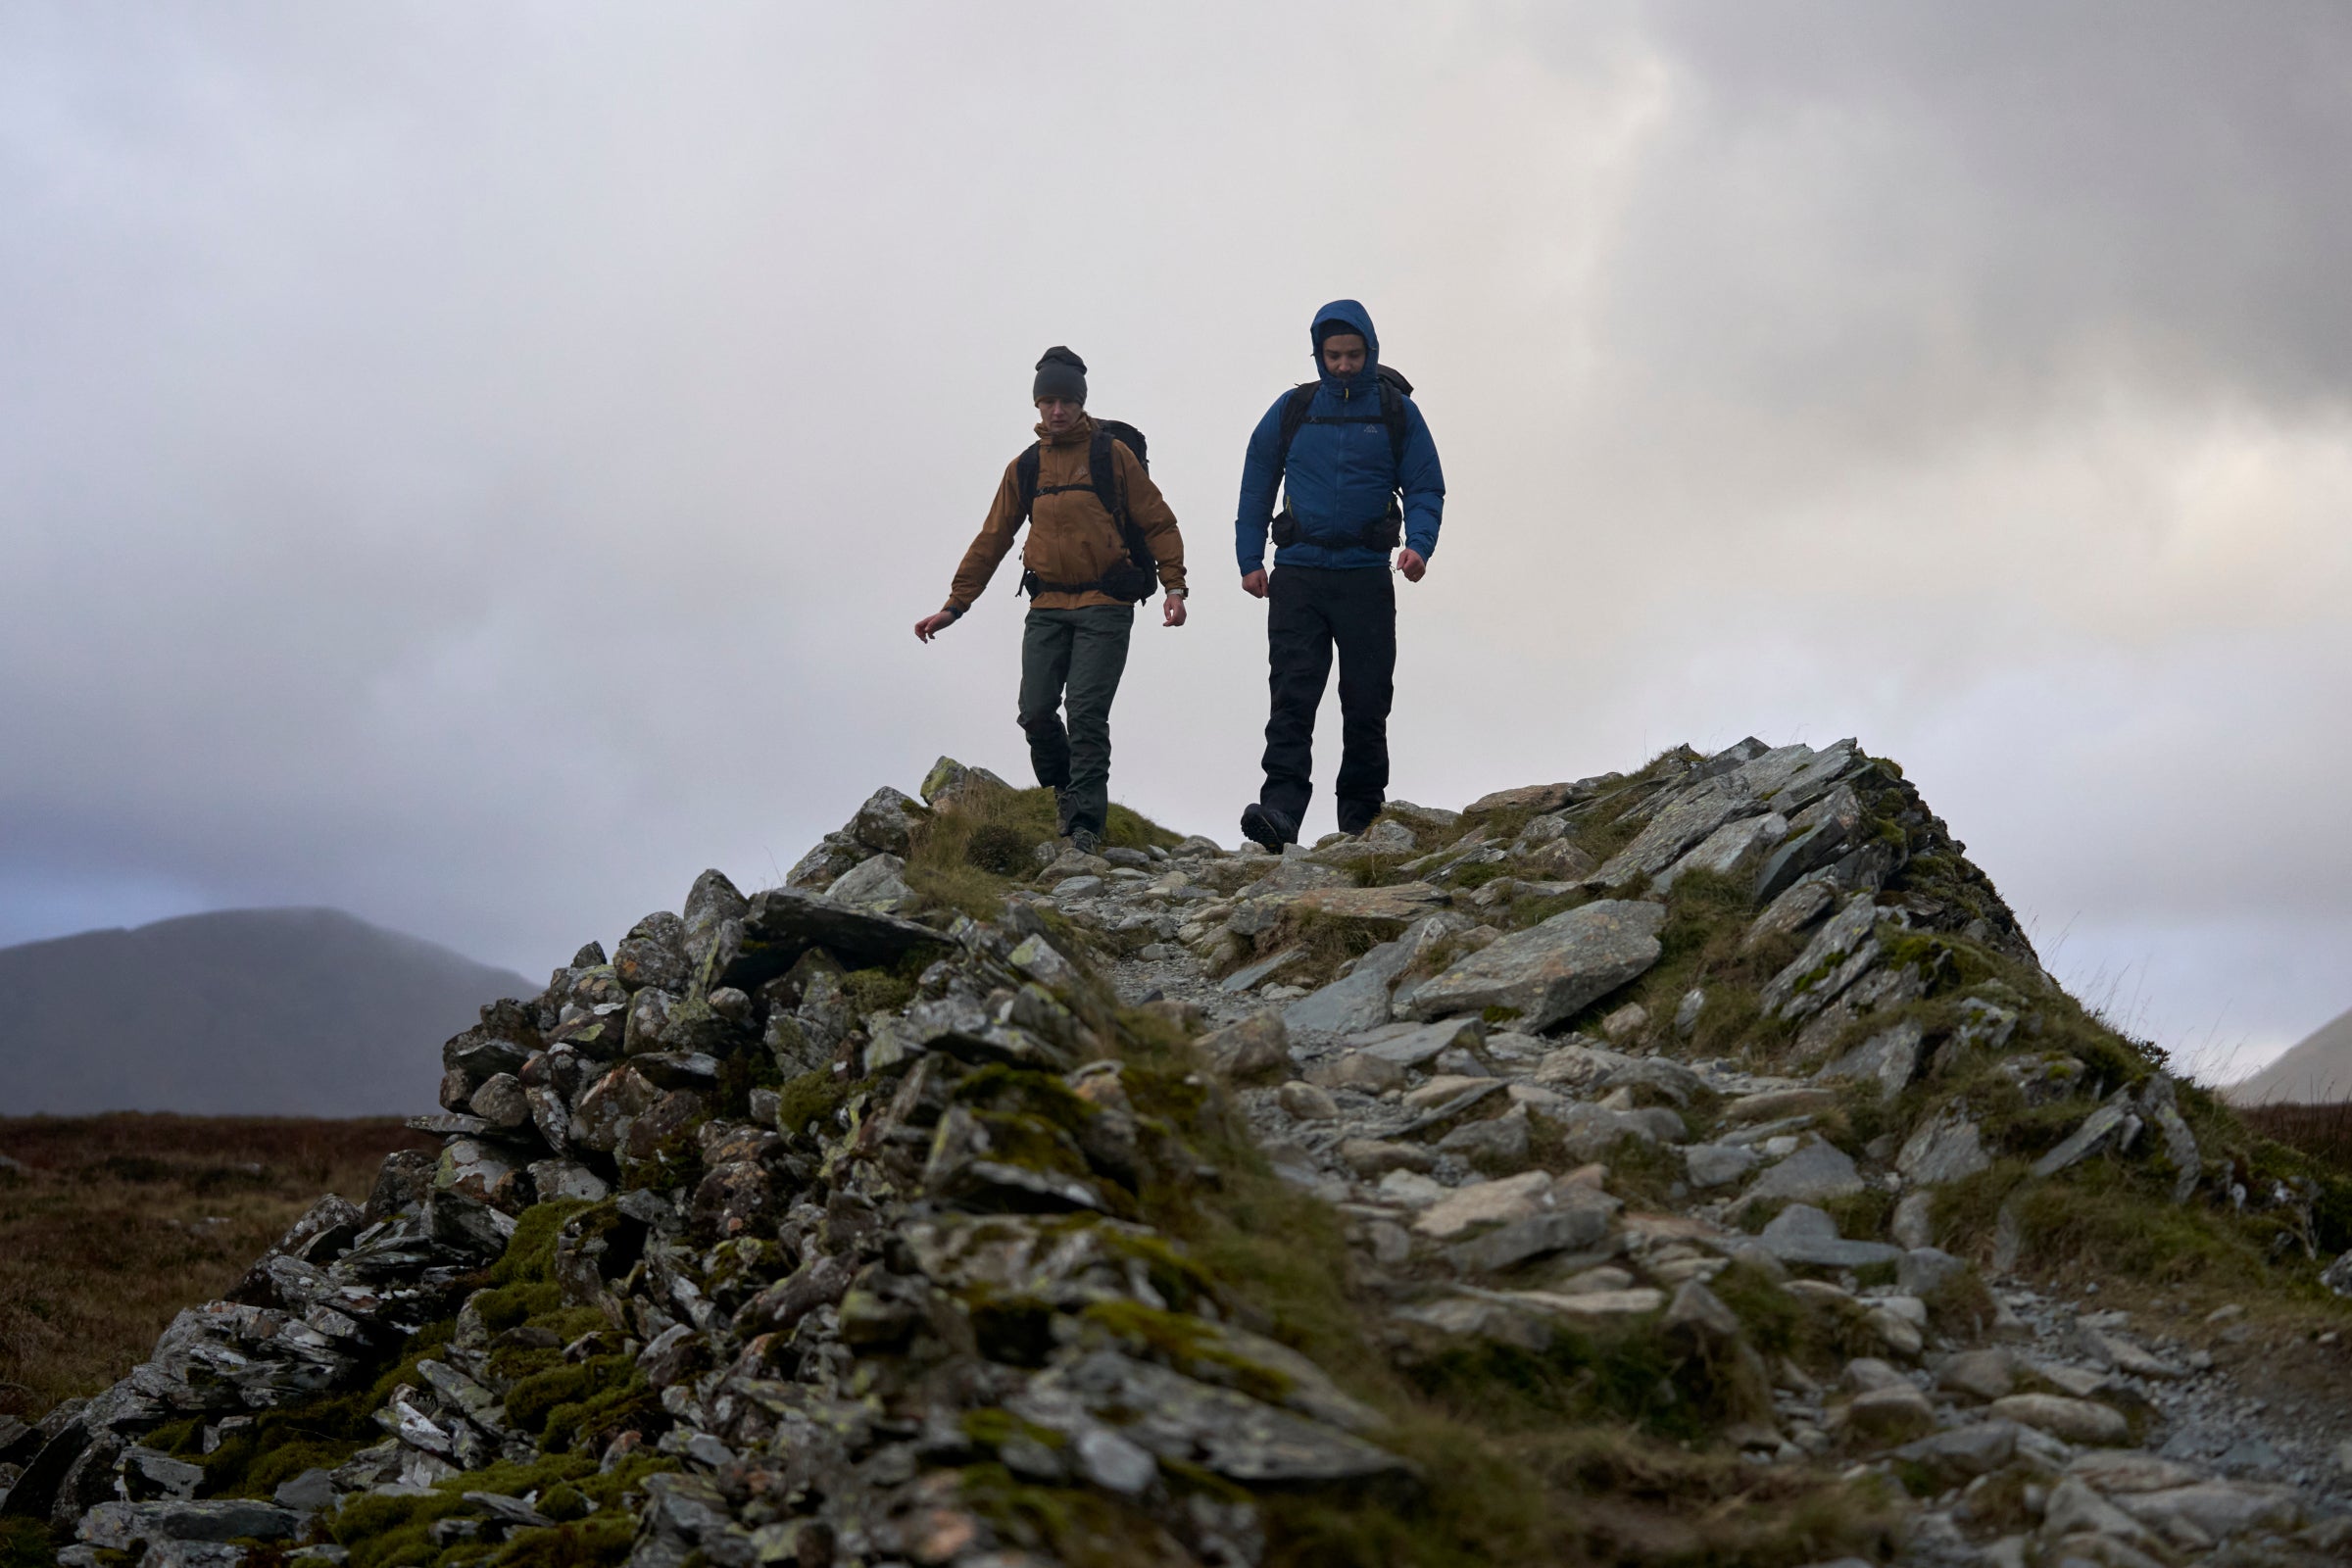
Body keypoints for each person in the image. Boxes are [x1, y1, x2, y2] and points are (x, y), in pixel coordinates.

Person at [913, 347, 1187, 854]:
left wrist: (1174, 587)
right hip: (1046, 608)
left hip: (1106, 604)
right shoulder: (1025, 468)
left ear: (1081, 403)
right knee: (1035, 711)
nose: (1057, 410)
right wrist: (956, 604)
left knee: (1085, 714)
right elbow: (993, 538)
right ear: (1037, 406)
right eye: (1048, 401)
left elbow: (1158, 521)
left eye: (1066, 400)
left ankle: (1085, 825)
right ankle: (1063, 790)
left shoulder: (1111, 456)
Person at [1232, 300, 1445, 849]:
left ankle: (1362, 821)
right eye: (1333, 355)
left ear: (1370, 352)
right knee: (1293, 696)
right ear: (1319, 355)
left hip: (1365, 577)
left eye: (1353, 355)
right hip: (1298, 575)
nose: (1344, 365)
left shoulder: (1397, 413)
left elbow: (1425, 485)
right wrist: (1249, 559)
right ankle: (1279, 813)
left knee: (1368, 699)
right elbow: (1257, 481)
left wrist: (1420, 546)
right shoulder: (1294, 409)